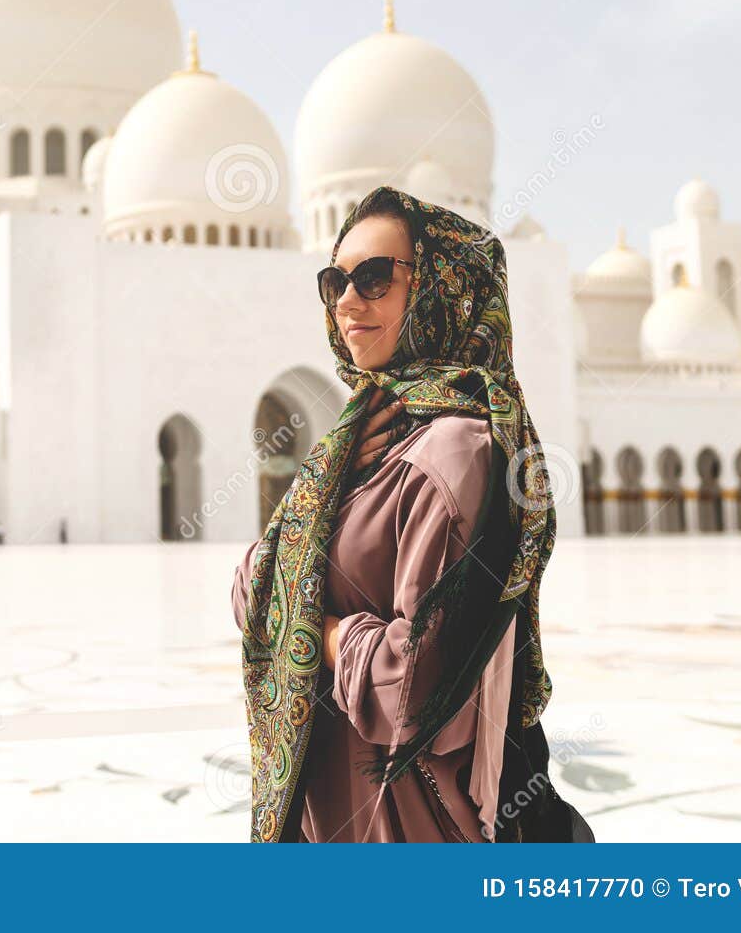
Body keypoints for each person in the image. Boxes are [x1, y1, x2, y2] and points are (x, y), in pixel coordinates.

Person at [232, 184, 568, 844]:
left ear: (444, 288)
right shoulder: (363, 441)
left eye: (375, 278)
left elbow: (409, 688)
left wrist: (318, 631)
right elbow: (249, 588)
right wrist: (336, 479)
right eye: (335, 281)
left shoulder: (456, 450)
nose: (348, 303)